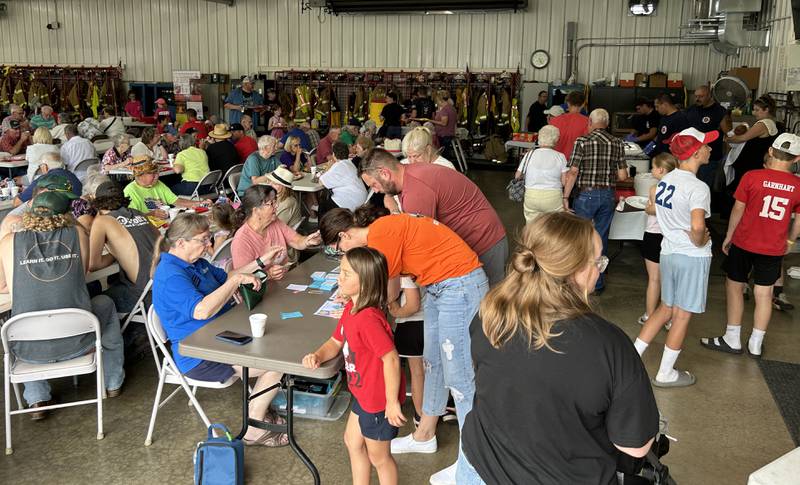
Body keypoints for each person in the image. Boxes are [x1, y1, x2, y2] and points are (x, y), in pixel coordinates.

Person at [459, 212, 659, 484]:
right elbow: (636, 446)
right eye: (598, 260)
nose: (600, 268)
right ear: (575, 270)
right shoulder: (608, 344)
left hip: (478, 467)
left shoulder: (490, 315)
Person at [319, 206, 488, 484]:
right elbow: (384, 291)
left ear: (343, 236)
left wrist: (354, 301)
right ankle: (424, 435)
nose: (341, 255)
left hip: (459, 284)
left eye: (337, 249)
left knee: (460, 383)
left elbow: (387, 291)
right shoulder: (380, 235)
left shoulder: (380, 238)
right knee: (431, 364)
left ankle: (471, 470)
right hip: (438, 285)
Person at [151, 213, 289, 447]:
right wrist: (234, 283)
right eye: (203, 240)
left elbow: (229, 276)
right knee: (279, 361)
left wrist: (260, 261)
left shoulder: (196, 263)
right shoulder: (171, 274)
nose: (209, 245)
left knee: (277, 345)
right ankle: (254, 427)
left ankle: (257, 412)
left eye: (209, 238)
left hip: (221, 336)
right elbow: (200, 311)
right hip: (199, 355)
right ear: (181, 243)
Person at [0, 191, 126, 419]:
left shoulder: (9, 242)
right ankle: (112, 381)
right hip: (80, 338)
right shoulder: (77, 234)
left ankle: (37, 399)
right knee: (105, 302)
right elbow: (86, 268)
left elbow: (3, 285)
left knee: (19, 321)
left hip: (29, 348)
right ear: (67, 213)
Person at [303, 247, 405, 485]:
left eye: (347, 274)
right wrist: (318, 355)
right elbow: (335, 341)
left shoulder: (368, 319)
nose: (340, 277)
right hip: (364, 394)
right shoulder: (351, 308)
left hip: (378, 402)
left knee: (380, 458)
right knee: (352, 441)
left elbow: (391, 358)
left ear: (365, 282)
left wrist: (391, 402)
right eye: (341, 271)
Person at [701, 134, 800, 359]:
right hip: (773, 247)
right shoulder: (798, 185)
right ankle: (756, 343)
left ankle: (732, 338)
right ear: (796, 159)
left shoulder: (752, 176)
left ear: (771, 152)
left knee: (735, 286)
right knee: (764, 294)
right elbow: (798, 221)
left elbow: (738, 210)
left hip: (744, 241)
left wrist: (728, 236)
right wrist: (790, 242)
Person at [634, 128, 716, 388]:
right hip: (691, 256)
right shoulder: (698, 187)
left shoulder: (665, 181)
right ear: (695, 152)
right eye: (706, 145)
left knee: (665, 308)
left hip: (668, 252)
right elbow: (698, 227)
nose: (710, 149)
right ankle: (666, 372)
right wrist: (703, 239)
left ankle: (633, 358)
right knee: (681, 315)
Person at [361, 148, 508, 286]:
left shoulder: (415, 192)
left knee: (491, 303)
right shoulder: (410, 172)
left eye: (374, 184)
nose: (376, 191)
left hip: (484, 242)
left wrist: (393, 210)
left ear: (385, 173)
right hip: (480, 235)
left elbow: (421, 244)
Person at [562, 109, 628, 291]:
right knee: (600, 238)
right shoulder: (617, 142)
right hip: (607, 195)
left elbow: (573, 171)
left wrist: (565, 196)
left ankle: (576, 282)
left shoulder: (582, 142)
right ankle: (596, 284)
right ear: (606, 124)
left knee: (580, 237)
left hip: (585, 195)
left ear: (590, 122)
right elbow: (623, 176)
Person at [88, 181, 159, 313]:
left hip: (147, 295)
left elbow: (93, 265)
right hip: (166, 283)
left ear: (97, 203)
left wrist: (115, 254)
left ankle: (126, 333)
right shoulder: (138, 213)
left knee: (94, 302)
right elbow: (160, 239)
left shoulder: (102, 221)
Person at [230, 185, 321, 275]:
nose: (276, 206)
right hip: (263, 288)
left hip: (285, 278)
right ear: (256, 210)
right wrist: (268, 275)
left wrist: (307, 241)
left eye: (275, 201)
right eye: (271, 203)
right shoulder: (241, 240)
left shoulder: (274, 222)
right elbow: (241, 278)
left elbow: (296, 240)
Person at [638, 153, 679, 327]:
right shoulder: (680, 188)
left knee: (654, 278)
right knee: (671, 278)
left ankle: (649, 314)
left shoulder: (655, 189)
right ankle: (669, 318)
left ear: (661, 169)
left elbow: (651, 209)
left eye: (653, 167)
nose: (651, 170)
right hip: (672, 236)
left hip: (654, 234)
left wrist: (648, 208)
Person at [388, 276, 425, 427]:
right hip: (431, 320)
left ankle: (420, 416)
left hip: (413, 325)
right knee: (430, 372)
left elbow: (412, 305)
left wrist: (396, 311)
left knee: (417, 373)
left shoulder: (405, 273)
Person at [514, 124, 568, 223]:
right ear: (556, 140)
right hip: (553, 197)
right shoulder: (560, 157)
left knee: (531, 226)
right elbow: (564, 182)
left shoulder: (529, 154)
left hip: (531, 195)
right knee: (553, 228)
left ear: (539, 138)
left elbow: (517, 176)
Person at [726, 95, 780, 191]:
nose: (754, 113)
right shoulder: (771, 123)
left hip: (751, 165)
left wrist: (728, 138)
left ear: (766, 109)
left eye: (757, 110)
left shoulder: (763, 124)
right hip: (754, 164)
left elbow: (743, 138)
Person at [123, 156, 202, 219]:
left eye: (157, 173)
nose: (157, 177)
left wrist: (199, 204)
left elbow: (176, 201)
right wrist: (152, 214)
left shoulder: (158, 184)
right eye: (152, 174)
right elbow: (130, 218)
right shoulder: (130, 191)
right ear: (140, 175)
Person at [686, 85, 728, 186]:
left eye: (701, 96)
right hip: (691, 156)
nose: (697, 99)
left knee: (704, 186)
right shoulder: (691, 109)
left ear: (709, 95)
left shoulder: (719, 111)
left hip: (709, 158)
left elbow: (728, 132)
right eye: (696, 96)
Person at [319, 141, 368, 213]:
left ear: (334, 154)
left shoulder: (338, 166)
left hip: (351, 203)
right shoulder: (349, 163)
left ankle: (324, 223)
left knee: (322, 206)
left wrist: (328, 168)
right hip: (361, 199)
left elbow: (321, 182)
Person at [549, 91, 589, 161]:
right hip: (576, 163)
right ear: (583, 104)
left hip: (556, 161)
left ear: (568, 103)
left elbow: (548, 143)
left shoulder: (554, 121)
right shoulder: (588, 122)